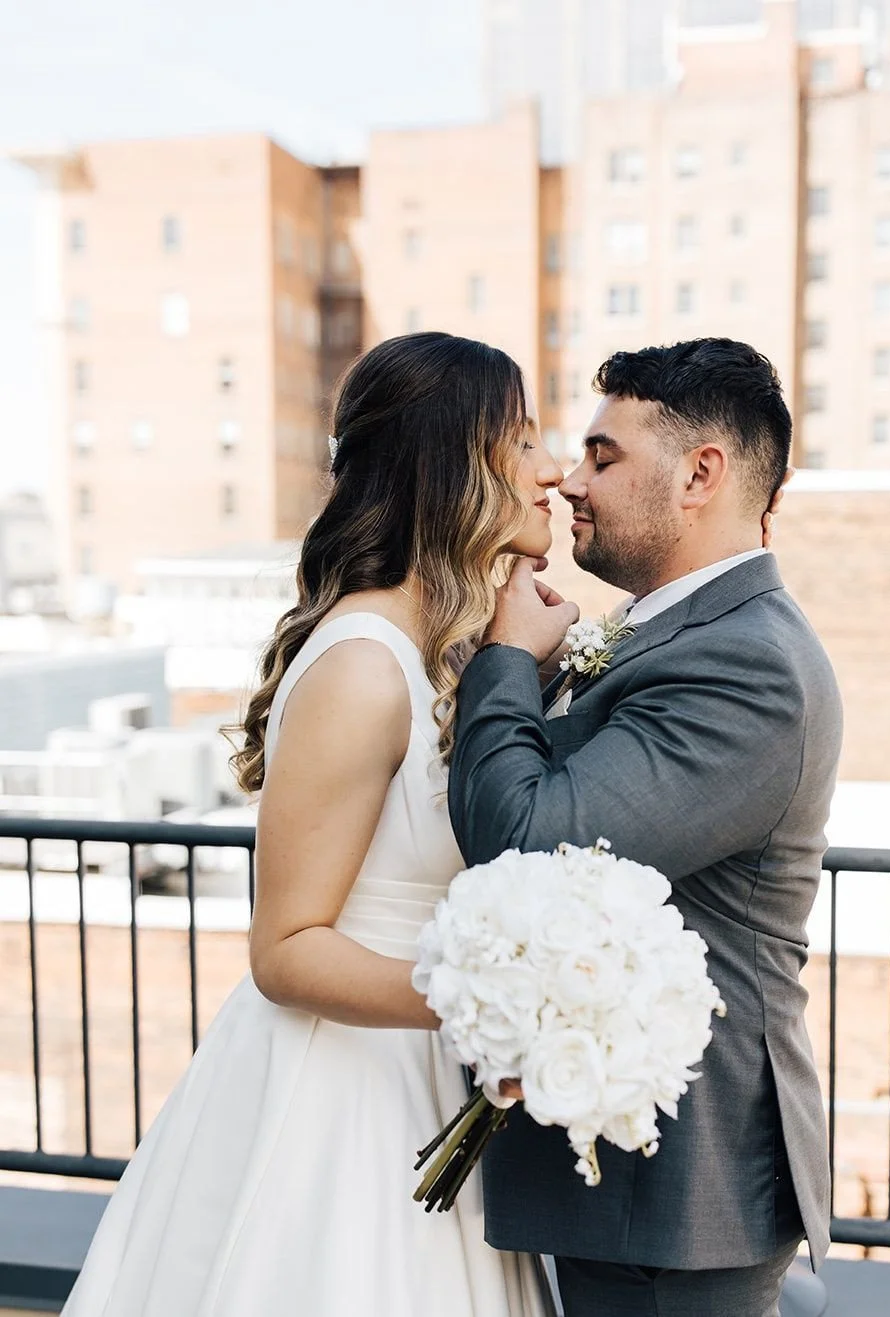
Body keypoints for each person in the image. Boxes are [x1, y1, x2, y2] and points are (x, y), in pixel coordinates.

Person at [62, 332, 559, 1317]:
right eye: (524, 439)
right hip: (339, 1095)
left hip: (418, 1072)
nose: (549, 469)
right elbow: (285, 949)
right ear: (449, 463)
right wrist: (494, 1003)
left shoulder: (437, 653)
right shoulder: (364, 665)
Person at [448, 337, 843, 1317]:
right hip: (624, 1183)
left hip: (673, 1189)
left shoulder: (747, 664)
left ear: (699, 474)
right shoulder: (662, 628)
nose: (569, 482)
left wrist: (504, 660)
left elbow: (527, 842)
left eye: (602, 455)